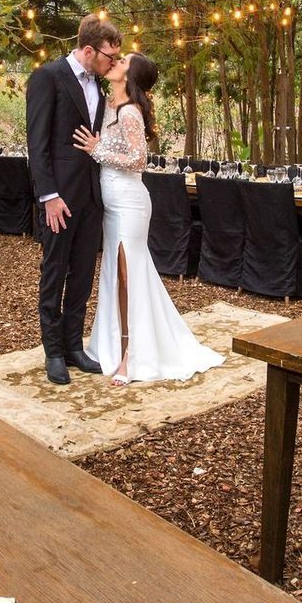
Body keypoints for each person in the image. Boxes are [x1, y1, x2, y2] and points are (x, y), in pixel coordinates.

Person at [72, 53, 224, 386]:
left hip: (129, 203)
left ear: (131, 77)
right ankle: (111, 343)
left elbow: (139, 160)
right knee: (115, 273)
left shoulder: (129, 112)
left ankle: (132, 355)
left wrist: (97, 150)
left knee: (129, 276)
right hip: (110, 203)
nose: (114, 62)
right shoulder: (110, 105)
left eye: (122, 61)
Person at [26, 14, 122, 385]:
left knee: (83, 273)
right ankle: (52, 352)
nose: (113, 63)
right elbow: (38, 144)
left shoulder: (98, 87)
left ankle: (73, 346)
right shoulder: (48, 77)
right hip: (58, 200)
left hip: (91, 197)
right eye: (109, 57)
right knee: (54, 272)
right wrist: (48, 196)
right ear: (87, 49)